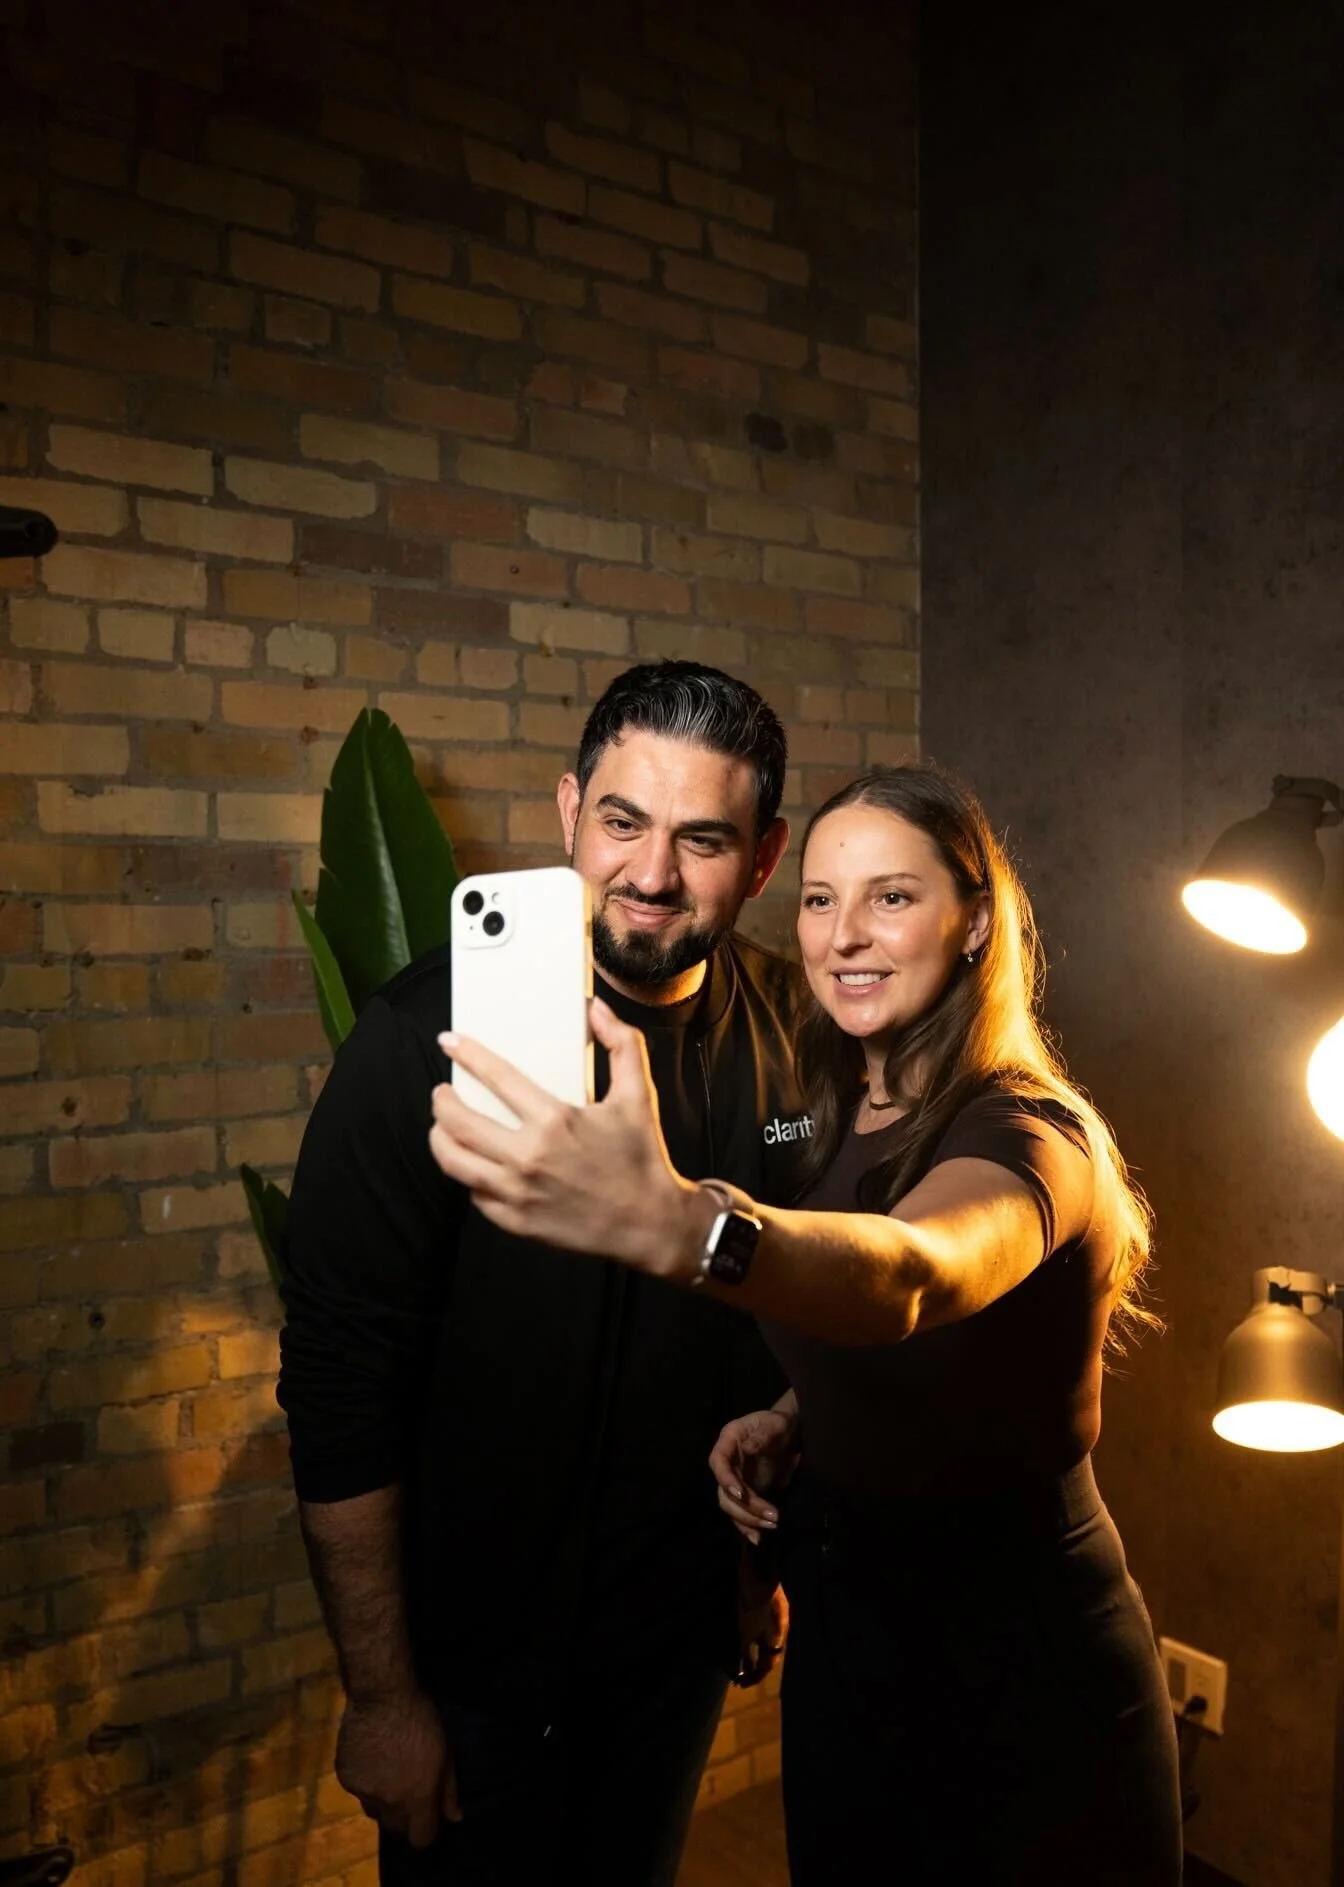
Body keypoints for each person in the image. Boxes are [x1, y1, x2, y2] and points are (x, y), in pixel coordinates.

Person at [427, 763, 1184, 1887]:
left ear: (974, 923)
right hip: (851, 1656)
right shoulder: (827, 1115)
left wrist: (692, 1227)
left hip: (1022, 1674)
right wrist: (796, 1412)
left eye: (892, 897)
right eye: (822, 900)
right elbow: (879, 1325)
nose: (843, 936)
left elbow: (914, 1276)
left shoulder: (1032, 1133)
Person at [278, 661, 816, 1887]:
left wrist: (747, 1571)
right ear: (570, 810)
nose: (650, 874)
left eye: (703, 839)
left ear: (767, 858)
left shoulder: (796, 1040)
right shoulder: (416, 1043)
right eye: (622, 823)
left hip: (669, 1645)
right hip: (468, 1677)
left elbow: (772, 1335)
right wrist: (383, 1700)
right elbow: (339, 1391)